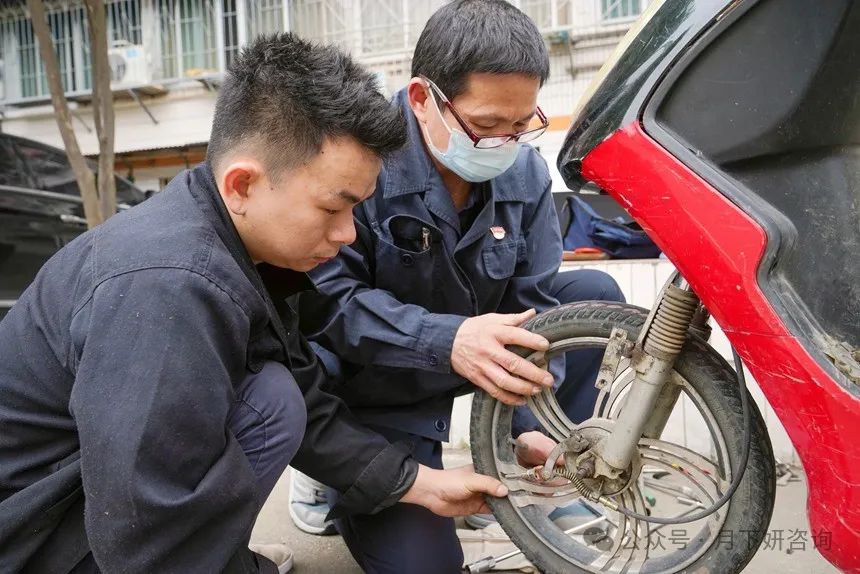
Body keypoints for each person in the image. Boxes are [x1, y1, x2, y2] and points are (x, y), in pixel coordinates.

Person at [0, 33, 508, 574]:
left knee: (276, 397)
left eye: (357, 210)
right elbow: (145, 536)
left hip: (90, 501)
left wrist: (416, 483)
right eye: (334, 208)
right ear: (243, 184)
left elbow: (307, 400)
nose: (348, 235)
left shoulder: (238, 242)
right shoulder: (169, 286)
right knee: (268, 405)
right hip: (34, 539)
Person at [288, 0, 625, 571]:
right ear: (423, 100)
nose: (504, 142)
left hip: (467, 354)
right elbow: (329, 304)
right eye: (488, 125)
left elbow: (533, 307)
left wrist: (532, 426)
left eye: (521, 125)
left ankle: (512, 469)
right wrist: (446, 340)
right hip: (375, 387)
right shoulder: (357, 160)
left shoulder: (524, 172)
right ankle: (332, 478)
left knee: (591, 298)